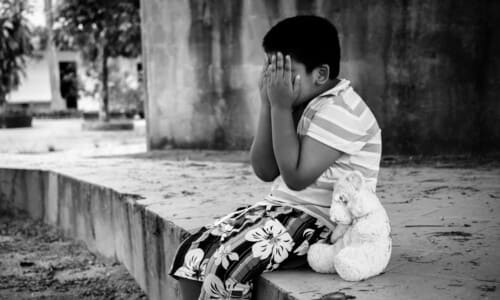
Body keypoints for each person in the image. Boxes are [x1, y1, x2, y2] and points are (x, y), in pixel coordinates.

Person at [169, 15, 382, 300]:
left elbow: (295, 177)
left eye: (285, 71)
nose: (275, 81)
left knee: (228, 265)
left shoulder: (342, 110)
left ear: (320, 74)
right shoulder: (298, 101)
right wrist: (266, 104)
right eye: (271, 69)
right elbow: (264, 169)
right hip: (282, 210)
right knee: (191, 253)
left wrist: (280, 107)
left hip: (324, 224)